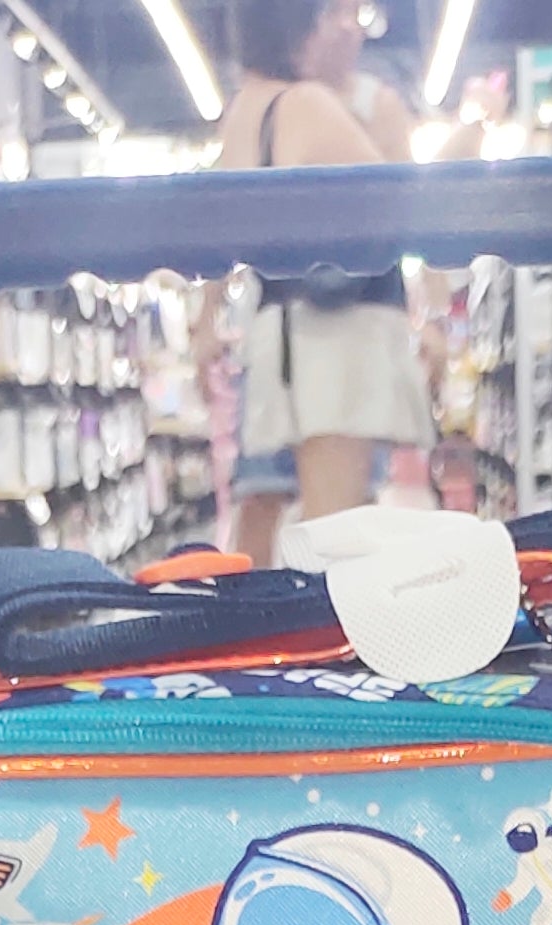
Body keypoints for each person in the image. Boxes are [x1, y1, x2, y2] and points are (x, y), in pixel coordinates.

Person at [219, 0, 434, 562]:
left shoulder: (248, 110)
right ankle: (328, 621)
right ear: (303, 27)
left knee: (266, 510)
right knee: (336, 533)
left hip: (283, 330)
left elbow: (219, 234)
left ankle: (258, 618)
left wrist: (202, 324)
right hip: (339, 338)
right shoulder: (307, 105)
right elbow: (405, 210)